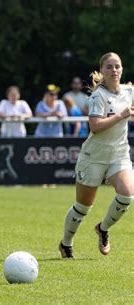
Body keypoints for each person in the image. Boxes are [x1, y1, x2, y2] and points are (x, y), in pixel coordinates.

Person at [58, 52, 134, 259]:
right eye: (109, 67)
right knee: (83, 207)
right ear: (102, 71)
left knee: (127, 194)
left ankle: (103, 229)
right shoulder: (97, 96)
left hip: (119, 154)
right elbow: (95, 126)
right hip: (93, 156)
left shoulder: (129, 92)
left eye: (117, 66)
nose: (114, 70)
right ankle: (66, 243)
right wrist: (122, 115)